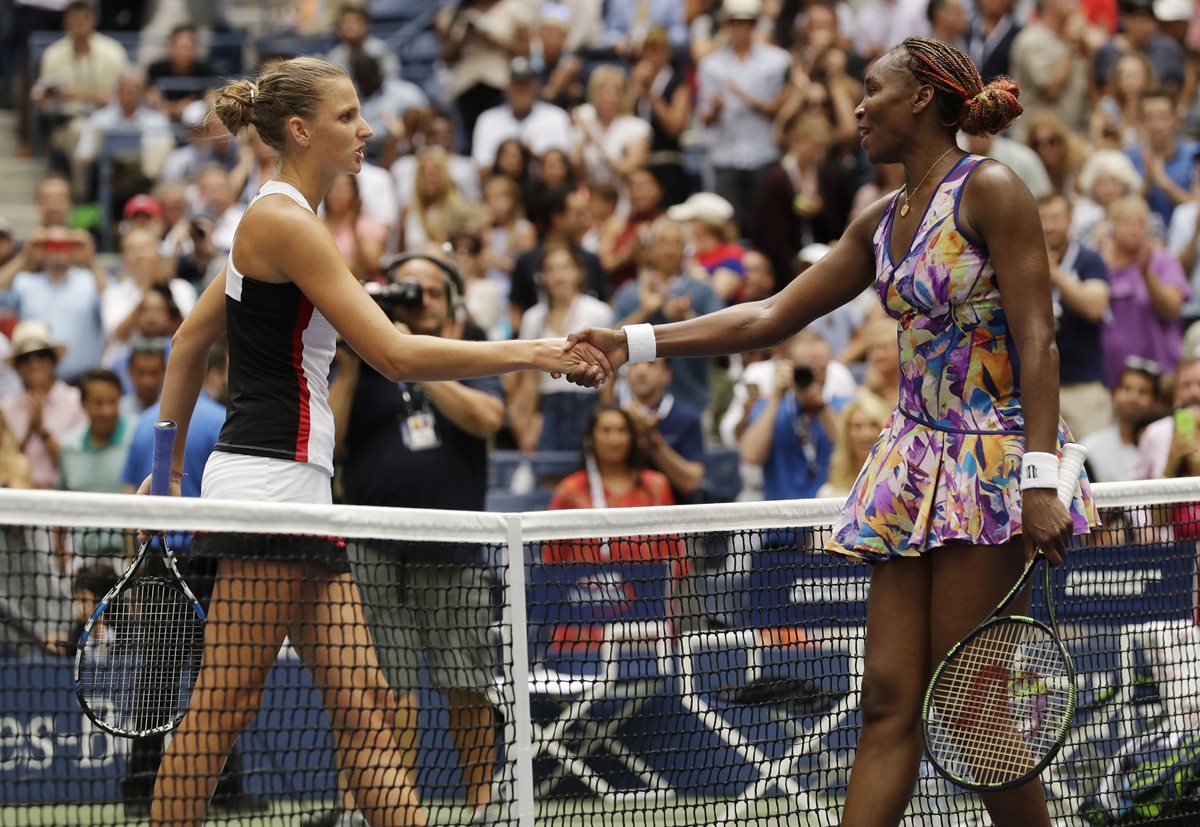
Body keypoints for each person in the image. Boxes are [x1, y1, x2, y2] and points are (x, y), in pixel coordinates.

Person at [565, 37, 1096, 827]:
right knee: (887, 697)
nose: (857, 106)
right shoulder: (880, 221)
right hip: (914, 459)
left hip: (990, 464)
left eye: (871, 89)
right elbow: (770, 313)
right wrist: (635, 338)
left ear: (920, 97)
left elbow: (1038, 341)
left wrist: (1041, 479)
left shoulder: (994, 191)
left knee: (971, 706)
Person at [140, 56, 603, 827]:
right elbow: (395, 353)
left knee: (367, 700)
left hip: (298, 487)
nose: (369, 128)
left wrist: (167, 472)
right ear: (300, 130)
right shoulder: (281, 219)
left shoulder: (285, 219)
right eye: (349, 116)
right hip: (266, 487)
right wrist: (535, 351)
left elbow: (189, 343)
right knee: (225, 705)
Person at [327, 254, 505, 827]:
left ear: (450, 304)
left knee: (467, 684)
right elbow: (327, 444)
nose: (417, 301)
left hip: (455, 547)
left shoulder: (468, 354)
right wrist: (361, 358)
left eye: (429, 292)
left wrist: (414, 358)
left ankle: (482, 808)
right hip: (371, 546)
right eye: (408, 292)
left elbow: (488, 419)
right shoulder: (356, 359)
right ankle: (379, 811)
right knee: (382, 688)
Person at [1081, 357, 1162, 482]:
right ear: (1114, 394)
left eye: (1142, 392)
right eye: (1126, 389)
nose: (1133, 397)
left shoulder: (1164, 445)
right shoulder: (1089, 448)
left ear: (1155, 402)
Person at [818, 389, 892, 497]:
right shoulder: (829, 494)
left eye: (873, 425)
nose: (866, 434)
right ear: (847, 435)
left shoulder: (899, 489)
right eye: (858, 426)